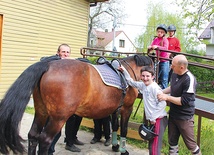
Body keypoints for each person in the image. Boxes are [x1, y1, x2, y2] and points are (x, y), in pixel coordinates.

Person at [41, 44, 84, 154]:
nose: (65, 54)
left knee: (68, 123)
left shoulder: (71, 65)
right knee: (53, 130)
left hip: (68, 101)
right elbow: (43, 59)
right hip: (53, 103)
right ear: (58, 52)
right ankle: (48, 151)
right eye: (63, 52)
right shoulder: (53, 61)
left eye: (67, 52)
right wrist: (60, 59)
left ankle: (69, 142)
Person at [157, 55, 201, 155]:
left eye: (173, 65)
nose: (171, 67)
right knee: (172, 142)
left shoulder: (189, 79)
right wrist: (161, 92)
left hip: (185, 117)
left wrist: (167, 97)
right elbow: (172, 87)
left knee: (191, 146)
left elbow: (183, 101)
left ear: (181, 67)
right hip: (173, 114)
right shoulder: (174, 73)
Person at [119, 65, 168, 155]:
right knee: (151, 144)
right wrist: (124, 71)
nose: (145, 78)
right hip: (153, 119)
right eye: (143, 76)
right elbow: (131, 82)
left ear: (152, 77)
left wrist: (153, 117)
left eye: (147, 76)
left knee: (155, 146)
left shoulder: (154, 88)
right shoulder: (143, 85)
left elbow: (163, 103)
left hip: (159, 119)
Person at [148, 24, 169, 89]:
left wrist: (157, 47)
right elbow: (152, 46)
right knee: (156, 75)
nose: (159, 33)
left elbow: (165, 48)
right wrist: (150, 47)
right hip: (158, 60)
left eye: (161, 32)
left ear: (164, 33)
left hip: (164, 60)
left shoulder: (165, 39)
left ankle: (164, 93)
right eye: (158, 31)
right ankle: (154, 90)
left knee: (164, 78)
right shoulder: (155, 39)